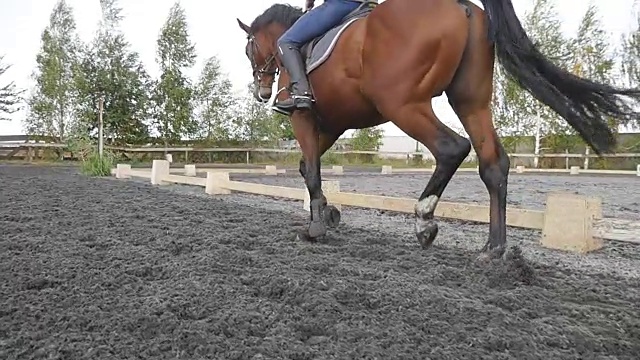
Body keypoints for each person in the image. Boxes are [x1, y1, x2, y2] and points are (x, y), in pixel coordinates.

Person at [274, 0, 366, 113]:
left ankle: (301, 93)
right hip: (370, 5)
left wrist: (310, 2)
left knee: (285, 42)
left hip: (341, 4)